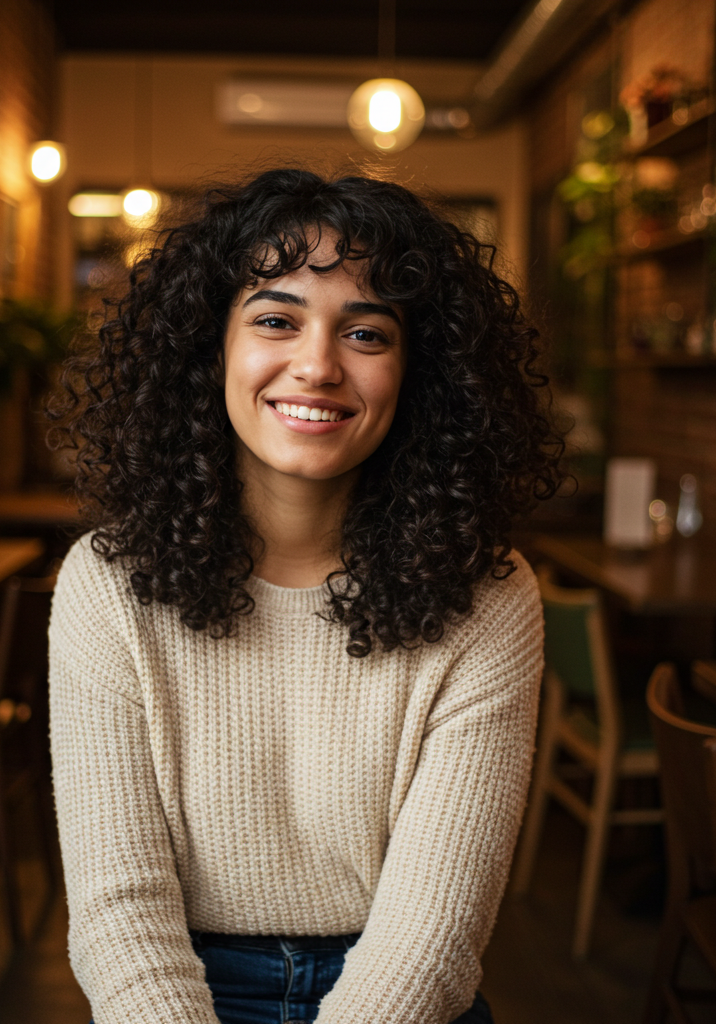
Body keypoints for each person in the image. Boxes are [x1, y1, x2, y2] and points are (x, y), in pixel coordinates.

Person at [48, 167, 563, 1024]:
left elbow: (429, 940)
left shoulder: (489, 598)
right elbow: (120, 915)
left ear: (419, 373)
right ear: (210, 347)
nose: (318, 366)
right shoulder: (107, 586)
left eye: (365, 333)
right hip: (183, 992)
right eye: (276, 320)